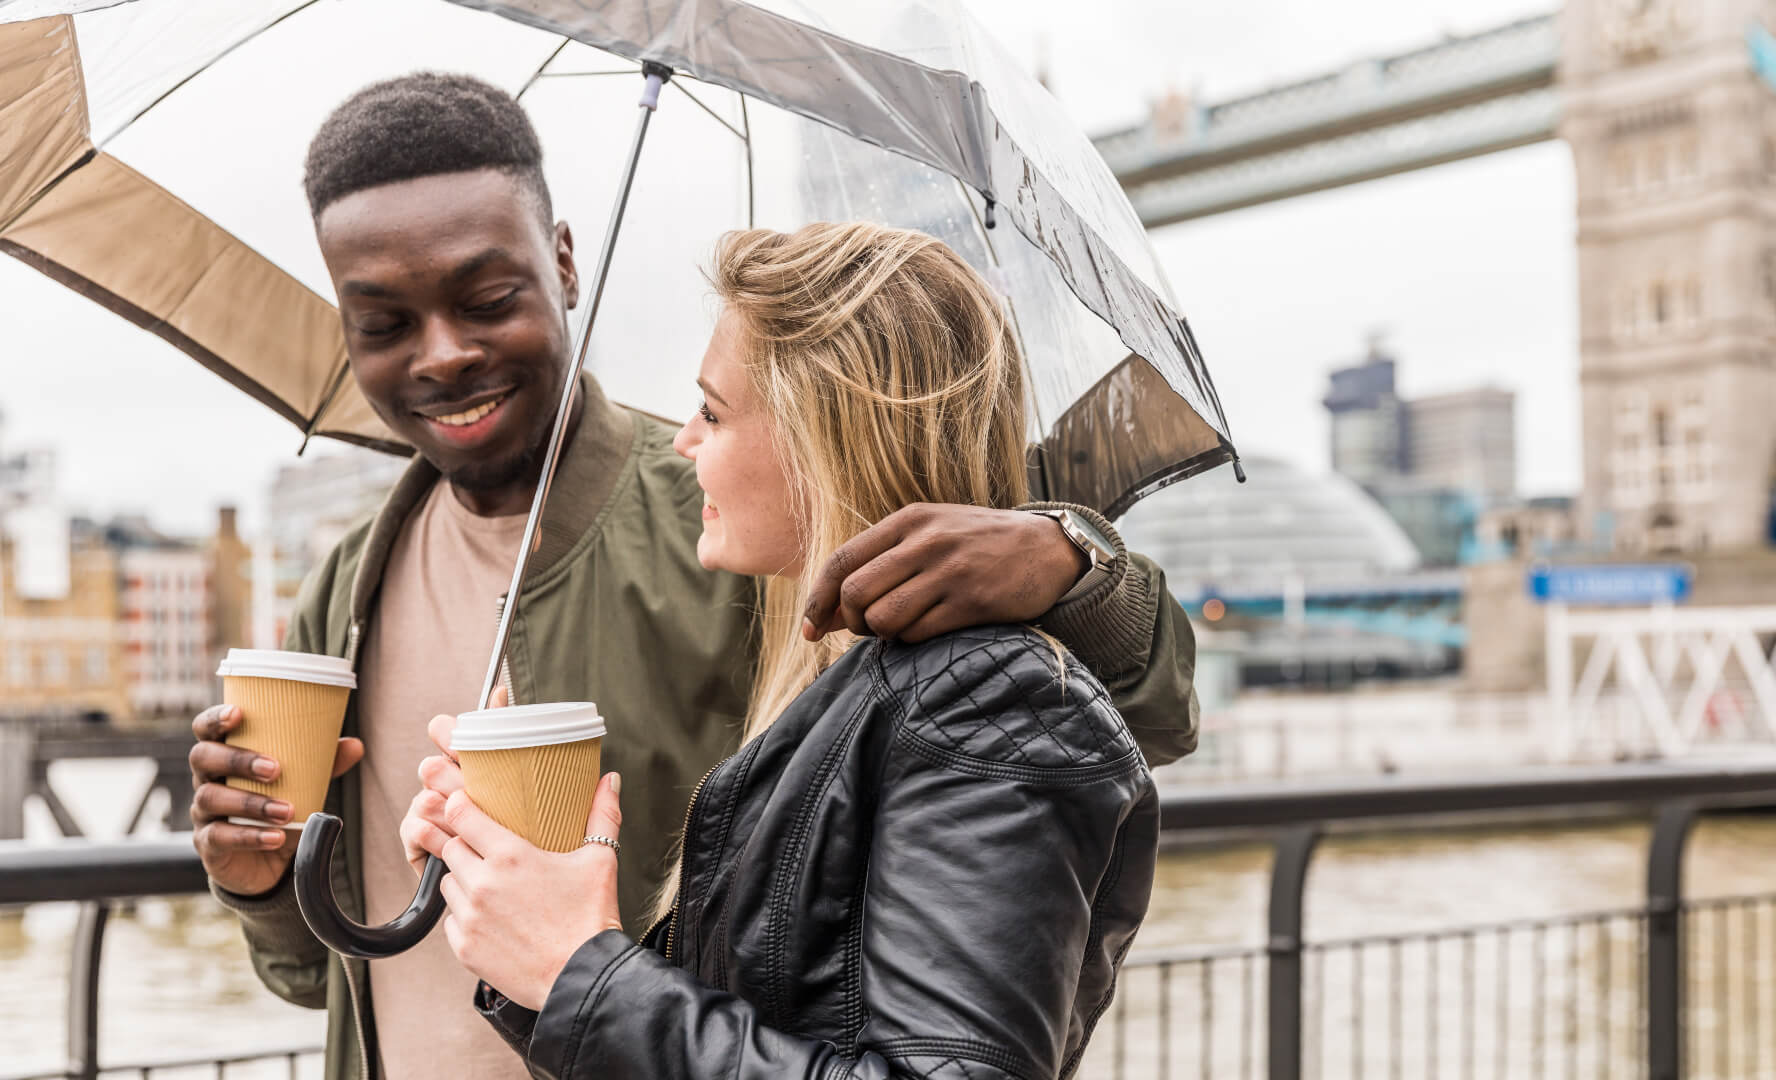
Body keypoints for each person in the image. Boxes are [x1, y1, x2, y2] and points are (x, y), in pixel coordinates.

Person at [183, 74, 1198, 1080]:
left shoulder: (745, 523)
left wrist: (1069, 559)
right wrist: (264, 880)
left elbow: (1119, 710)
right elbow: (329, 974)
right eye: (384, 324)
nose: (442, 355)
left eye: (488, 300)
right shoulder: (345, 588)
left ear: (565, 263)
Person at [404, 221, 1159, 1079]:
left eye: (714, 411)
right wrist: (542, 926)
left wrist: (580, 972)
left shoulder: (989, 703)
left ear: (822, 436)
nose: (684, 440)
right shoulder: (853, 686)